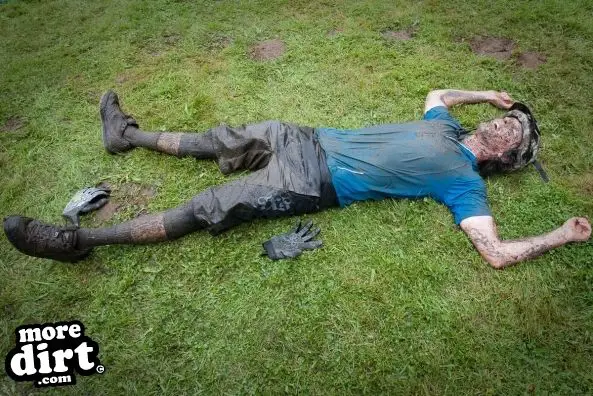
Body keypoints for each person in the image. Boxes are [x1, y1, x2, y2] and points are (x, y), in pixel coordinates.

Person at [4, 89, 591, 268]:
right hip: (304, 137)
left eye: (513, 133)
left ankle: (80, 242)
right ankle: (124, 136)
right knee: (219, 138)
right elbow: (437, 92)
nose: (503, 124)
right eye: (505, 117)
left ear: (503, 159)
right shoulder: (445, 124)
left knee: (207, 207)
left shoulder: (465, 184)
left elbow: (494, 251)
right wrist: (484, 90)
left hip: (313, 184)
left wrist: (560, 235)